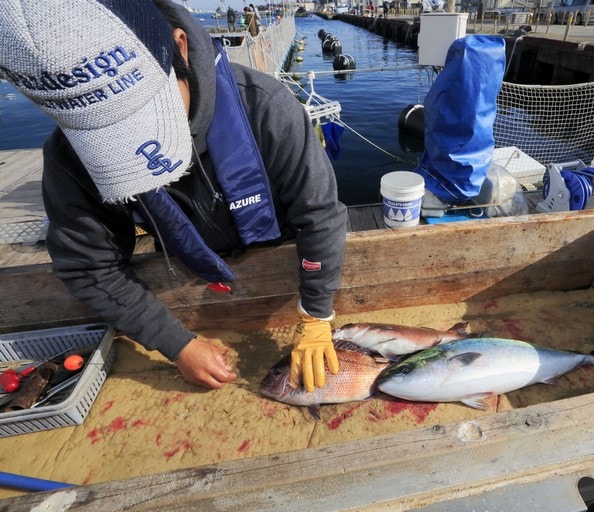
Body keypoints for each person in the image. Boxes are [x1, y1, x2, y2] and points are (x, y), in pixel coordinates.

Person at [0, 0, 347, 392]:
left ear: (178, 47)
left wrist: (316, 314)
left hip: (281, 263)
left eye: (147, 112)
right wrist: (174, 342)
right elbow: (89, 266)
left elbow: (320, 214)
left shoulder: (266, 105)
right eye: (110, 140)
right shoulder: (68, 159)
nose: (144, 153)